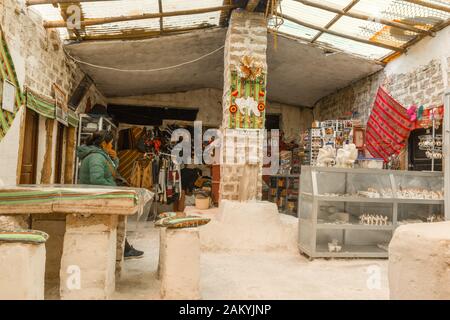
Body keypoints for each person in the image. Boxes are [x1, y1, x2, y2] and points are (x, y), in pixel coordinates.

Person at [77, 130, 144, 259]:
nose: (112, 147)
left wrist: (114, 158)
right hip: (96, 198)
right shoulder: (96, 157)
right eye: (111, 144)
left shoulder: (100, 155)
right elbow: (97, 180)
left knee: (117, 222)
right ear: (104, 144)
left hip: (100, 196)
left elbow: (110, 170)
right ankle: (125, 249)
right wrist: (115, 188)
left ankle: (125, 248)